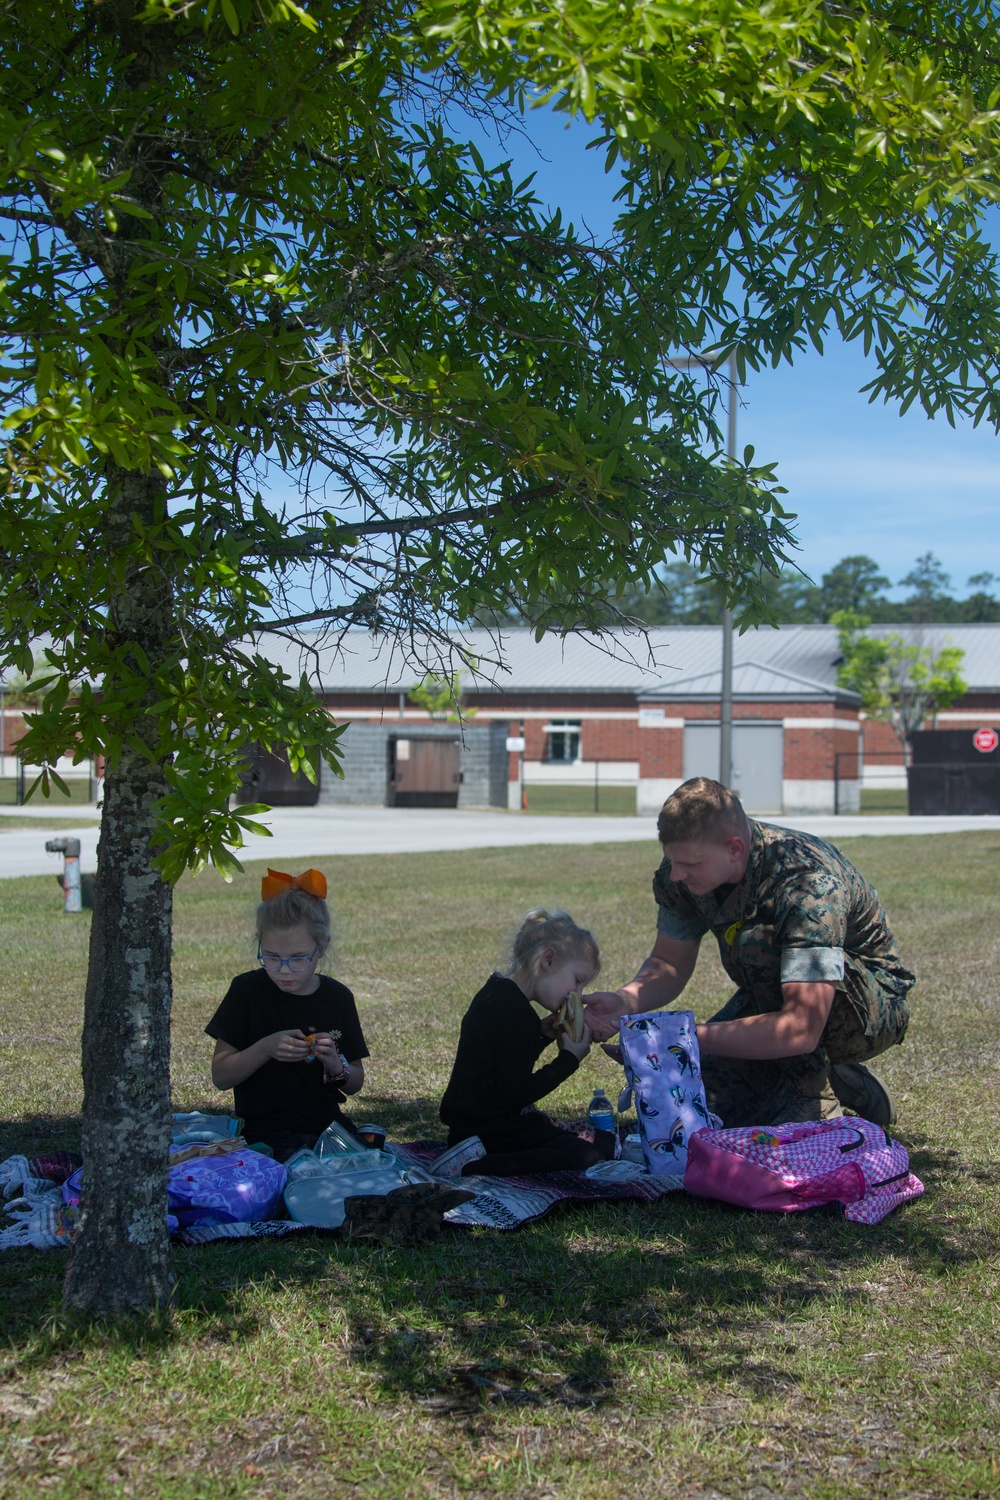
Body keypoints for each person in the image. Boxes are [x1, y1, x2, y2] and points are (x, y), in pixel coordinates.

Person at [584, 779, 914, 1128]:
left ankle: (814, 1096)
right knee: (701, 1102)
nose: (677, 874)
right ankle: (839, 1080)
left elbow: (800, 1026)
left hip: (865, 1006)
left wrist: (678, 1037)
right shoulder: (681, 873)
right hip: (772, 999)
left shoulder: (806, 884)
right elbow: (668, 962)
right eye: (672, 860)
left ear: (735, 848)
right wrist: (626, 1001)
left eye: (690, 864)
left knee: (768, 952)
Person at [206, 867, 368, 1162]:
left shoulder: (337, 997)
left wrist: (335, 1064)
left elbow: (355, 1081)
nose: (283, 970)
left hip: (326, 1127)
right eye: (271, 957)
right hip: (262, 1133)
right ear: (259, 943)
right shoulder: (247, 991)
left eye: (297, 959)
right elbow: (221, 1075)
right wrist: (265, 1048)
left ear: (322, 947)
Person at [439, 909, 616, 1175]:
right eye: (577, 981)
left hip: (475, 1124)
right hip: (488, 1132)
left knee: (600, 1144)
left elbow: (503, 1064)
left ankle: (472, 1159)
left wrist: (543, 1035)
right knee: (587, 1156)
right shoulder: (516, 1013)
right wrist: (569, 1060)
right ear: (548, 960)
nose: (577, 995)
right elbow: (516, 1094)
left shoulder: (498, 993)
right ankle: (471, 1167)